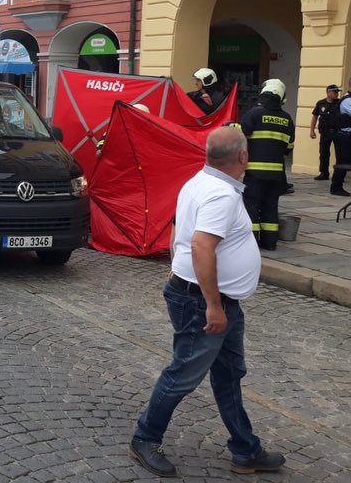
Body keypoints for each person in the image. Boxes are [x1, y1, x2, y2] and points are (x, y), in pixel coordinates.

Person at [129, 125, 285, 477]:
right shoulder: (220, 195)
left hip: (213, 299)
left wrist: (177, 267)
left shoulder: (198, 182)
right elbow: (201, 244)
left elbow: (177, 229)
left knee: (229, 374)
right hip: (204, 302)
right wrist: (212, 305)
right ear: (243, 156)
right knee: (183, 373)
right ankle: (145, 438)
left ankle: (245, 450)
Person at [239, 79, 294, 251]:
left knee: (252, 205)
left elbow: (241, 136)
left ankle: (251, 243)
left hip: (255, 172)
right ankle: (270, 243)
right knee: (270, 207)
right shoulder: (287, 119)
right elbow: (289, 147)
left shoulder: (253, 114)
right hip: (277, 174)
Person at [310, 84, 341, 181]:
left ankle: (339, 175)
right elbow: (315, 116)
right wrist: (312, 130)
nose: (337, 94)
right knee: (323, 153)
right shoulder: (321, 103)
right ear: (328, 92)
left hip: (337, 132)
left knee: (340, 154)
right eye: (335, 92)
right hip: (325, 132)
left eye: (337, 92)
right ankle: (324, 173)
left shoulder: (340, 103)